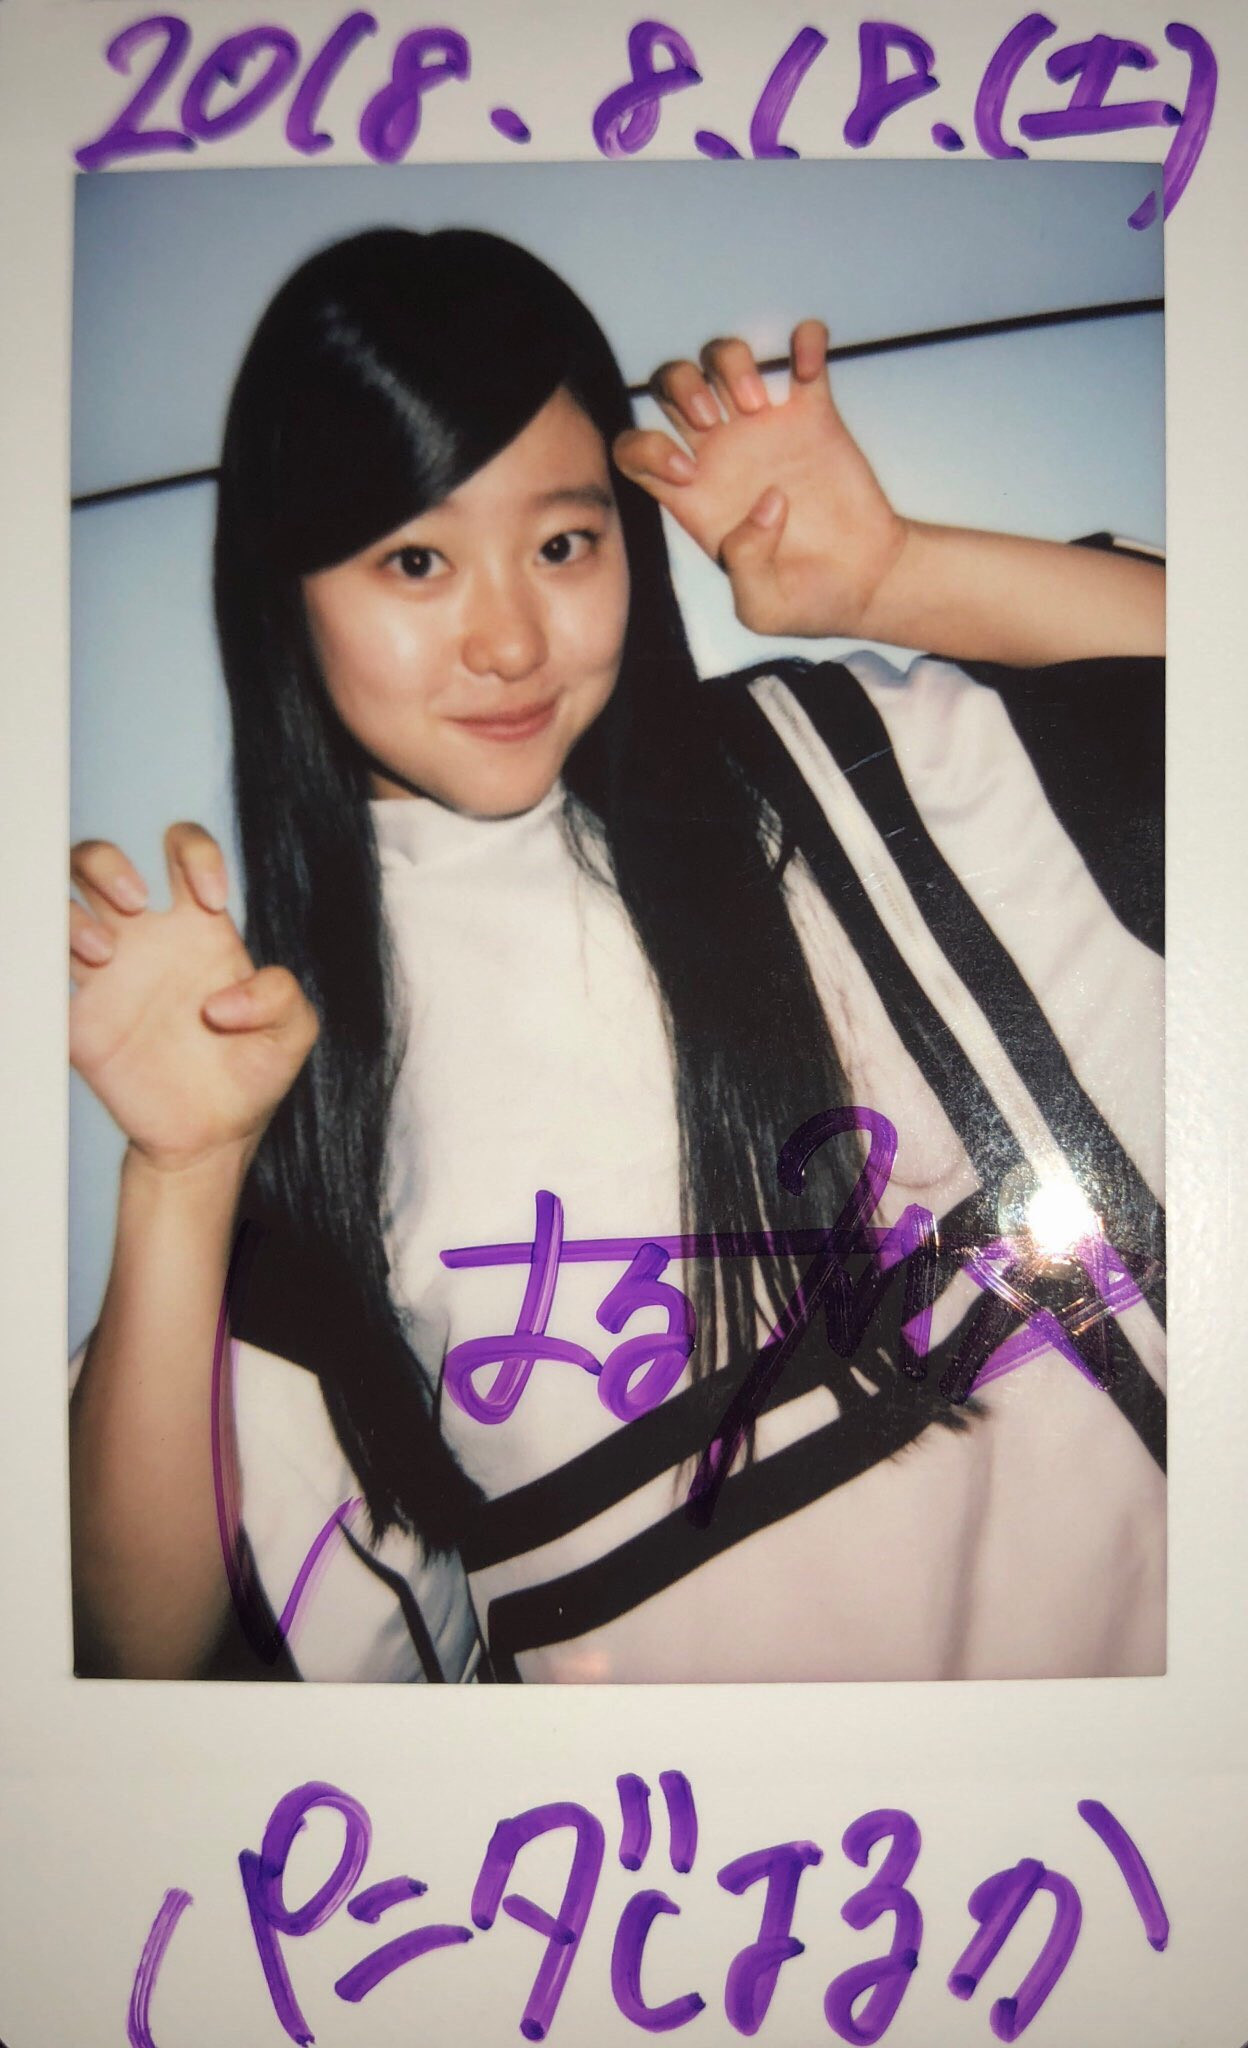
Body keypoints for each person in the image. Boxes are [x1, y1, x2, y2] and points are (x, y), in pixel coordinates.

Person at [68, 227, 1165, 1683]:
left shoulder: (828, 764)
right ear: (289, 593)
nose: (510, 641)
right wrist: (180, 1174)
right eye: (416, 561)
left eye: (562, 545)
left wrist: (898, 575)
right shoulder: (286, 1053)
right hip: (695, 1826)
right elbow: (140, 1646)